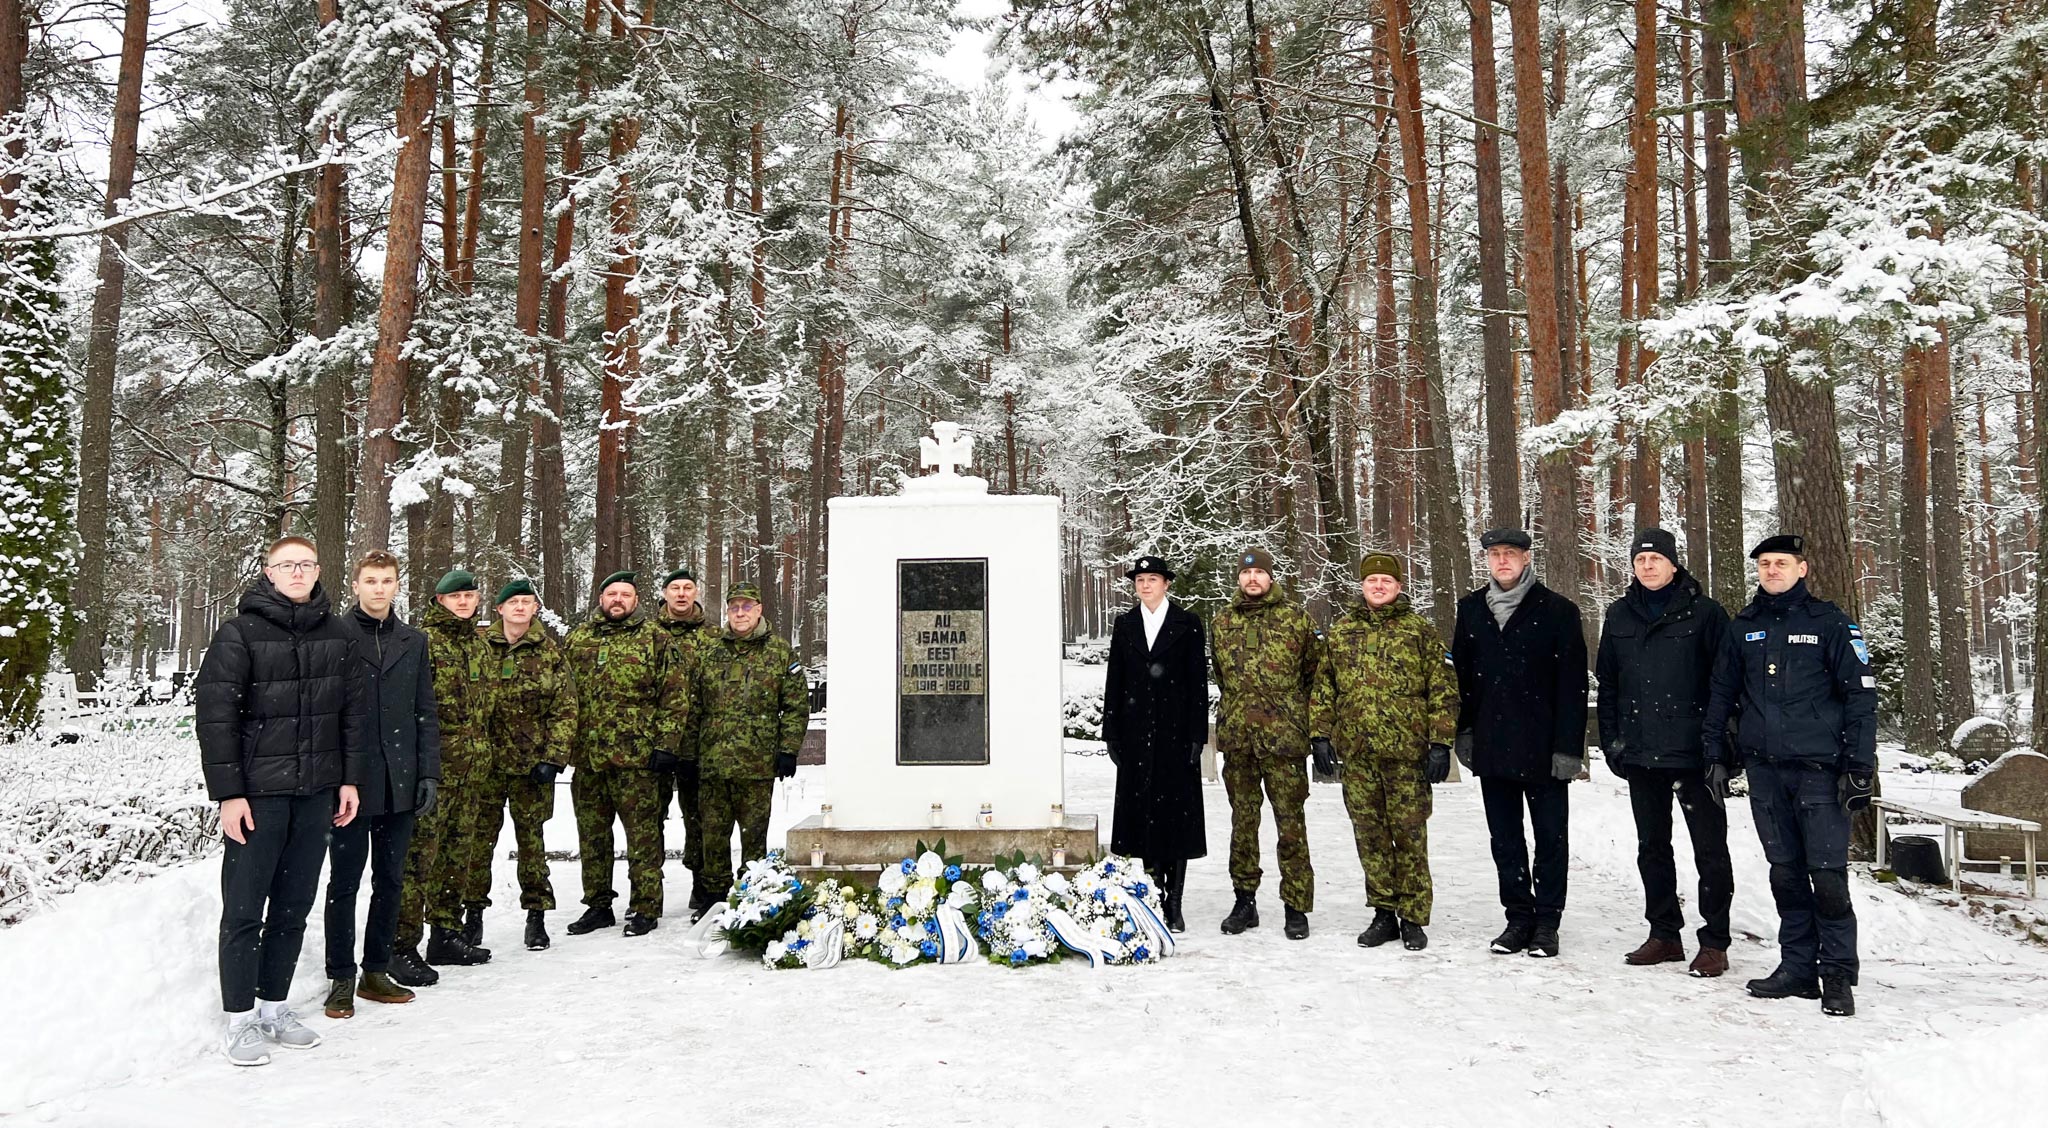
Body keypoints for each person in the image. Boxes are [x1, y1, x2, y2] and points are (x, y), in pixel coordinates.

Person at [195, 535, 365, 1066]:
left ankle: (274, 1008)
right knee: (245, 908)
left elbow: (353, 716)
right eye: (286, 565)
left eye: (306, 564)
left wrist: (348, 780)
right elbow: (216, 720)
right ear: (269, 573)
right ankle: (240, 1021)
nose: (297, 572)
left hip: (315, 794)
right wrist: (228, 795)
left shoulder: (339, 634)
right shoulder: (238, 634)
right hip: (258, 798)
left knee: (293, 906)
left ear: (318, 571)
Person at [1704, 534, 1877, 1017]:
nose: (1772, 570)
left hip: (1820, 773)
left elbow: (1861, 698)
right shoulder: (1744, 627)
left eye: (1781, 563)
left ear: (1802, 569)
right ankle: (1797, 968)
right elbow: (1722, 695)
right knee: (1785, 875)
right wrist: (1715, 754)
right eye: (1764, 564)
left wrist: (1860, 766)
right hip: (1765, 771)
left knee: (1827, 878)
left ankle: (1837, 974)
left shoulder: (1831, 624)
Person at [1596, 528, 1735, 978]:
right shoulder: (1619, 616)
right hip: (1641, 754)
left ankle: (1714, 941)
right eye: (1640, 560)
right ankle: (1664, 934)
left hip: (1695, 755)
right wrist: (1612, 740)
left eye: (1656, 559)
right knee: (1651, 847)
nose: (1648, 566)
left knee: (1710, 850)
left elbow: (1726, 684)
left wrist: (1719, 747)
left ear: (1674, 564)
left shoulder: (1707, 614)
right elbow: (1610, 683)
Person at [1452, 528, 1588, 959]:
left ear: (1527, 558)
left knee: (1551, 837)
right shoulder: (1471, 609)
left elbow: (1573, 685)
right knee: (1505, 838)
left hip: (1545, 746)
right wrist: (1465, 732)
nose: (1503, 561)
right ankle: (1518, 917)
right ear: (1487, 561)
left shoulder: (1558, 611)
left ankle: (1547, 921)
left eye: (1511, 554)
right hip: (1492, 744)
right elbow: (1463, 681)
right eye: (1495, 554)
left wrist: (1569, 748)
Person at [1312, 553, 1458, 951]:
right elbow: (1325, 687)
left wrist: (1441, 742)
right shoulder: (1341, 632)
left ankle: (1412, 916)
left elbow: (1443, 690)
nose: (1379, 586)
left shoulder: (1420, 632)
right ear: (1362, 585)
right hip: (1358, 755)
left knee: (1410, 835)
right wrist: (1320, 736)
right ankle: (1383, 911)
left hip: (1407, 754)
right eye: (1372, 580)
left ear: (1398, 586)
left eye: (1386, 581)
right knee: (1370, 835)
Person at [324, 550, 441, 1017]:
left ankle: (375, 968)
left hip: (401, 780)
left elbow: (424, 711)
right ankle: (340, 976)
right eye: (370, 580)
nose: (378, 588)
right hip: (351, 784)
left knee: (391, 880)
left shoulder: (414, 641)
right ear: (356, 585)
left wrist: (428, 772)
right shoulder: (333, 635)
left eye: (386, 581)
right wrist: (334, 778)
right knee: (345, 883)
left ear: (397, 586)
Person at [563, 571, 691, 936]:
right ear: (602, 599)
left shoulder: (656, 639)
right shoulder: (580, 638)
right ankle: (598, 904)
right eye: (612, 594)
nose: (618, 600)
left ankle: (646, 905)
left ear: (636, 601)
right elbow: (563, 696)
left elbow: (675, 696)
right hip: (589, 758)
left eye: (625, 594)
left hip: (639, 760)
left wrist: (666, 745)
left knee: (643, 837)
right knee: (592, 836)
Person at [1209, 547, 1321, 940]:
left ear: (1271, 577)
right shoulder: (1222, 622)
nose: (1252, 579)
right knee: (1243, 824)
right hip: (1239, 741)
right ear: (1238, 578)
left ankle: (1296, 905)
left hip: (1284, 742)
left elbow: (1312, 676)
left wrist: (1295, 718)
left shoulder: (1296, 620)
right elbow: (1222, 676)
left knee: (1291, 826)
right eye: (1246, 573)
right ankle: (1245, 901)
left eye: (1259, 573)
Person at [1100, 556, 1208, 933]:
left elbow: (1197, 685)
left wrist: (1198, 736)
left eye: (1152, 579)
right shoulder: (1126, 624)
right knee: (1140, 817)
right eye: (1140, 580)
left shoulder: (1187, 624)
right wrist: (1111, 731)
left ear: (1167, 584)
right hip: (1135, 735)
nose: (1145, 586)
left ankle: (1174, 902)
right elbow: (1115, 679)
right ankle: (1151, 892)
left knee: (1175, 820)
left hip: (1175, 737)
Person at [688, 581, 808, 914]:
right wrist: (687, 755)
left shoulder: (780, 652)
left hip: (757, 762)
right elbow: (693, 706)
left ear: (759, 610)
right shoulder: (710, 651)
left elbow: (796, 706)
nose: (740, 613)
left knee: (754, 837)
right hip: (712, 762)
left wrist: (788, 750)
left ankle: (751, 898)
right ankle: (713, 901)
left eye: (746, 607)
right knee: (713, 836)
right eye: (734, 607)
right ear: (727, 611)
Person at [396, 568, 494, 968]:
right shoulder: (423, 642)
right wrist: (421, 768)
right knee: (419, 861)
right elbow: (414, 709)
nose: (464, 602)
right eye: (456, 597)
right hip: (435, 770)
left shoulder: (480, 645)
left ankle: (445, 935)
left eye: (470, 596)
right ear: (440, 601)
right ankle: (402, 944)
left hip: (472, 771)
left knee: (458, 857)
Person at [473, 578, 578, 952]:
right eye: (511, 602)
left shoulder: (549, 653)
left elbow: (565, 708)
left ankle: (536, 915)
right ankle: (472, 914)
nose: (519, 607)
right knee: (476, 844)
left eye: (526, 602)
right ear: (498, 609)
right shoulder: (479, 648)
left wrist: (553, 757)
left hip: (531, 766)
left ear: (535, 609)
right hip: (483, 765)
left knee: (532, 843)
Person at [652, 566, 713, 916]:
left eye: (687, 587)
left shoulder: (712, 636)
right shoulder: (648, 633)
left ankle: (700, 884)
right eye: (674, 587)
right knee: (651, 818)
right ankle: (649, 887)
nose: (681, 594)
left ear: (696, 592)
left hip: (697, 743)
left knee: (698, 817)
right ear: (664, 593)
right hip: (657, 743)